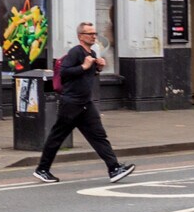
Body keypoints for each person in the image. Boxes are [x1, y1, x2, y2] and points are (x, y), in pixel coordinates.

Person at [32, 21, 135, 184]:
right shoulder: (75, 52)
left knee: (99, 136)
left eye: (95, 33)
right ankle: (42, 169)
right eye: (90, 34)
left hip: (85, 104)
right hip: (71, 103)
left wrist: (98, 68)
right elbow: (65, 73)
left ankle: (114, 168)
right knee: (57, 137)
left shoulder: (92, 53)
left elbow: (87, 76)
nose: (94, 36)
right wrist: (84, 66)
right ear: (81, 36)